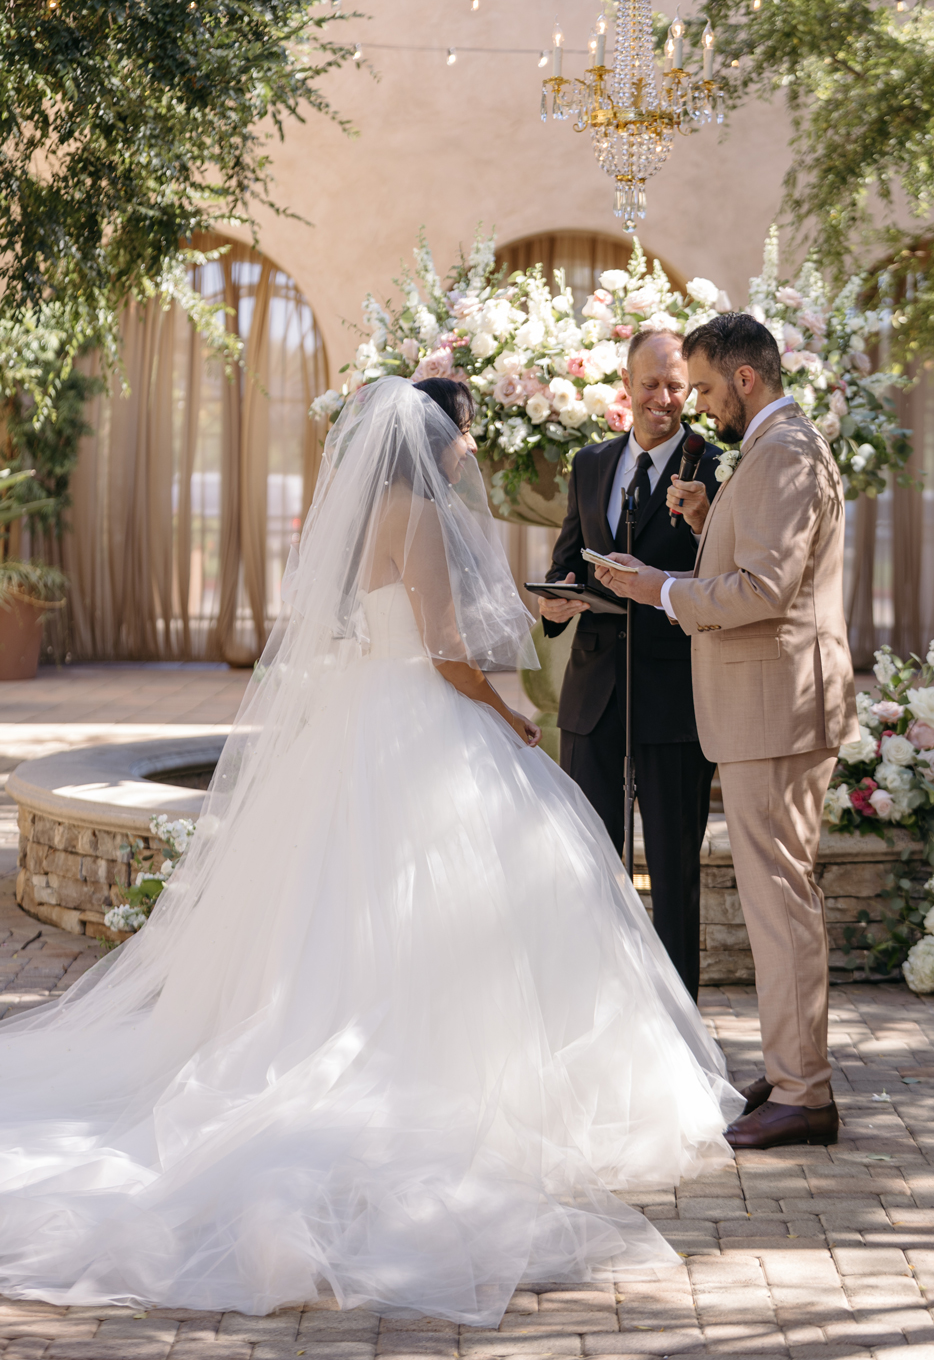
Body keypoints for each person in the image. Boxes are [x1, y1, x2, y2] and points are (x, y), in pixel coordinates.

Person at [0, 375, 742, 1323]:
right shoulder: (423, 519)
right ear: (435, 440)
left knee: (351, 900)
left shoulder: (357, 519)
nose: (472, 451)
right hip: (424, 713)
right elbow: (442, 651)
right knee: (489, 885)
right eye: (466, 436)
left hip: (363, 715)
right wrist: (509, 707)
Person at [596, 314, 858, 1152]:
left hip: (775, 708)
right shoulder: (779, 449)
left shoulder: (782, 449)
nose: (700, 405)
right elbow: (755, 560)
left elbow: (765, 589)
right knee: (780, 896)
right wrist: (711, 517)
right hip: (771, 705)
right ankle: (791, 1069)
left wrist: (660, 594)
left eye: (705, 387)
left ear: (745, 379)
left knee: (779, 900)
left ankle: (803, 1090)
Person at [537, 329, 721, 999]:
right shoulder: (590, 463)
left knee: (675, 873)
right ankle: (592, 1009)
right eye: (651, 385)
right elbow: (567, 559)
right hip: (593, 696)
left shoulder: (717, 467)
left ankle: (678, 1027)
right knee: (585, 863)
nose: (664, 399)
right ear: (627, 383)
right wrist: (555, 602)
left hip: (675, 698)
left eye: (676, 386)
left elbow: (723, 578)